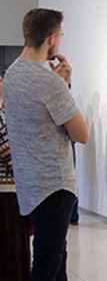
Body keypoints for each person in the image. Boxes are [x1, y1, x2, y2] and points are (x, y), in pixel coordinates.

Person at [3, 8, 89, 281]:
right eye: (61, 36)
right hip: (54, 184)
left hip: (29, 183)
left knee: (55, 257)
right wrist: (63, 86)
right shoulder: (49, 82)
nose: (61, 42)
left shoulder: (12, 76)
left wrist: (60, 86)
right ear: (51, 38)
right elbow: (81, 134)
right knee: (47, 264)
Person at [0, 71, 32, 281]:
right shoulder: (3, 117)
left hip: (10, 192)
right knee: (12, 254)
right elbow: (13, 155)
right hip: (8, 194)